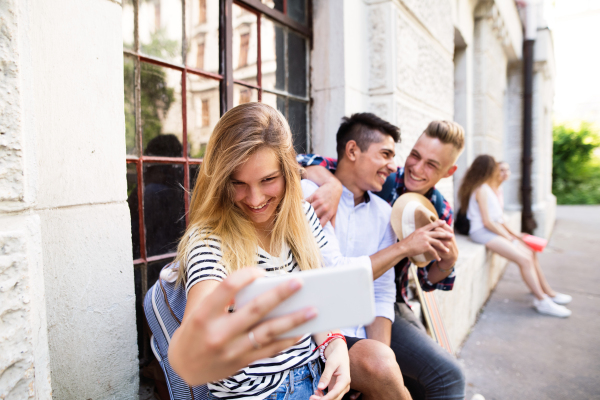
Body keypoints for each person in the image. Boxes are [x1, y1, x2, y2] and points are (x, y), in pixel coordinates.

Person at [168, 103, 351, 400]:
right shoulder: (209, 240)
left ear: (289, 173)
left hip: (317, 381)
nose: (254, 199)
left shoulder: (303, 216)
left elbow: (319, 301)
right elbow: (194, 339)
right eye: (237, 183)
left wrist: (335, 345)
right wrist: (189, 353)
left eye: (268, 180)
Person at [298, 119, 466, 400]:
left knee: (443, 375)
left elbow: (420, 282)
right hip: (319, 320)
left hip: (389, 305)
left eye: (431, 165)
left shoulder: (432, 210)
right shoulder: (322, 192)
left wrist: (448, 262)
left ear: (448, 172)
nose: (411, 167)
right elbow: (295, 160)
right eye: (414, 155)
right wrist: (330, 182)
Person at [458, 155, 572, 317]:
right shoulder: (482, 190)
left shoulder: (488, 189)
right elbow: (487, 222)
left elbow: (498, 220)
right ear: (488, 170)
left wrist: (515, 236)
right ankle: (541, 301)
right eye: (495, 169)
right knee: (524, 259)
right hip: (482, 233)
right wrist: (509, 238)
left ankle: (546, 293)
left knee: (530, 253)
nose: (498, 172)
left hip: (490, 232)